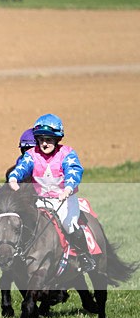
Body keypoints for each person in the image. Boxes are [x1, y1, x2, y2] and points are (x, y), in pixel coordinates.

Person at [7, 114, 96, 272]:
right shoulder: (32, 155)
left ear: (57, 139)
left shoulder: (67, 154)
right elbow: (22, 167)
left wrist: (68, 188)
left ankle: (84, 256)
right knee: (25, 223)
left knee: (69, 226)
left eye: (48, 139)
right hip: (41, 201)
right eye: (41, 140)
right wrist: (13, 178)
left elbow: (73, 172)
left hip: (65, 201)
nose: (44, 143)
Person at [0, 127, 36, 265]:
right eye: (25, 150)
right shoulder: (13, 171)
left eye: (31, 150)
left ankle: (81, 253)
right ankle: (0, 252)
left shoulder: (46, 166)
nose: (28, 153)